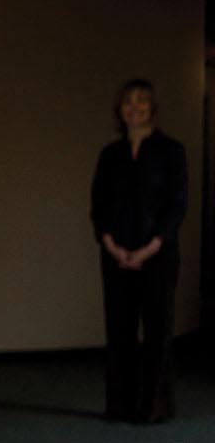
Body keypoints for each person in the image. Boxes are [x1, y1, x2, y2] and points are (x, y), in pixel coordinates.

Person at [90, 78, 186, 424]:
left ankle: (154, 407)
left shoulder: (171, 151)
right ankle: (119, 405)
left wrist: (149, 249)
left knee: (158, 331)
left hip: (158, 256)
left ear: (152, 108)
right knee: (119, 332)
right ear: (120, 110)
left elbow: (177, 206)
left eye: (141, 101)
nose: (134, 107)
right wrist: (113, 246)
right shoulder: (110, 155)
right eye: (128, 101)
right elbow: (98, 207)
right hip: (116, 256)